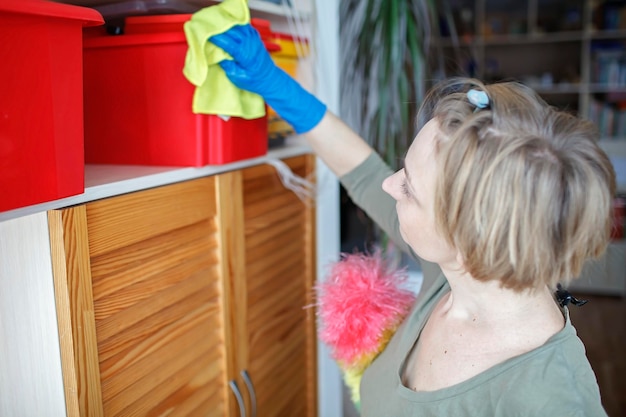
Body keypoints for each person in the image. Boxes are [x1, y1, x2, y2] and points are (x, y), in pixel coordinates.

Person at [209, 24, 613, 416]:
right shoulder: (451, 273)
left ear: (469, 236)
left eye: (409, 189)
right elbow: (363, 172)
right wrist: (273, 83)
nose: (389, 184)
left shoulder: (552, 400)